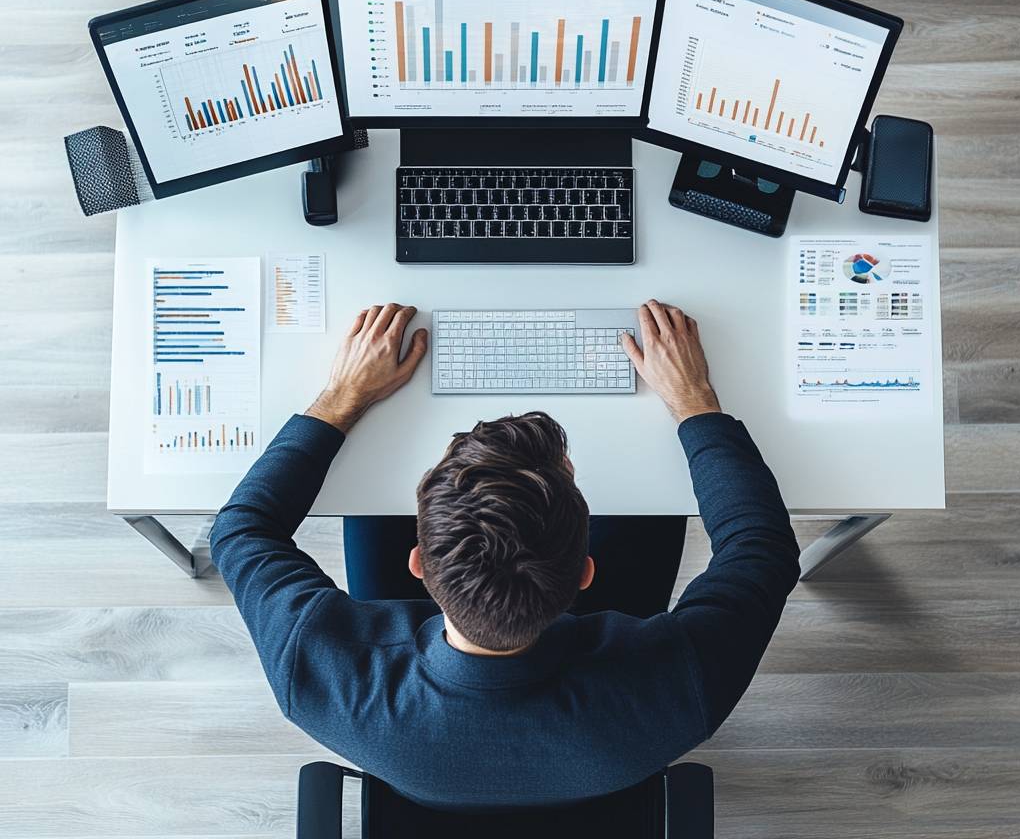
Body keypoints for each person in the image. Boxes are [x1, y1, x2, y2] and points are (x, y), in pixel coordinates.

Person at [210, 300, 800, 810]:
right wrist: (694, 399)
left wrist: (343, 397)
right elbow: (763, 550)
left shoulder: (319, 674)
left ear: (417, 565)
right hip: (601, 735)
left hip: (433, 756)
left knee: (371, 504)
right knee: (653, 508)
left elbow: (240, 530)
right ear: (587, 573)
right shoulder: (678, 687)